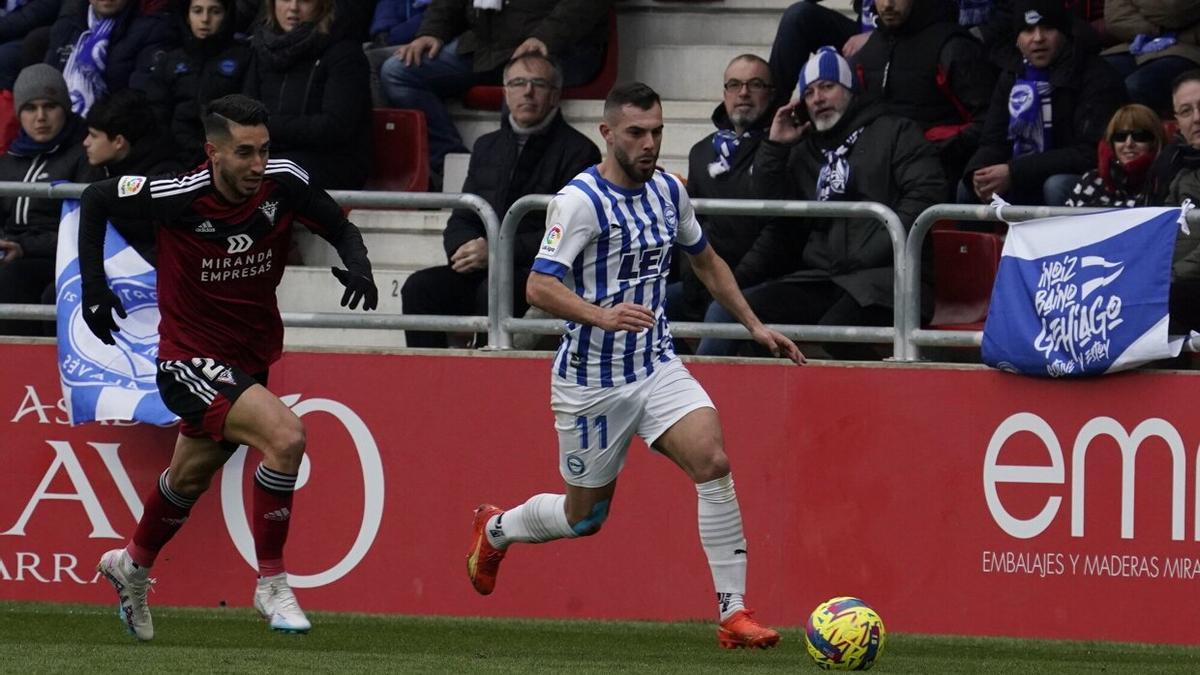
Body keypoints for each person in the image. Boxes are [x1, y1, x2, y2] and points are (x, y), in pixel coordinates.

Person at [464, 82, 804, 650]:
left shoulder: (670, 191)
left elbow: (706, 260)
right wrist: (600, 314)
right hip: (592, 382)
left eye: (658, 132)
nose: (650, 144)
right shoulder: (578, 202)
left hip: (655, 365)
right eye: (637, 134)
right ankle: (496, 528)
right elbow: (538, 286)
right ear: (607, 134)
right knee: (584, 518)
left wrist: (754, 324)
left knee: (713, 460)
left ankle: (733, 613)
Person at [80, 94, 378, 641]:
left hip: (249, 358)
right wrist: (93, 289)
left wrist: (357, 263)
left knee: (188, 479)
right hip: (189, 359)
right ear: (212, 152)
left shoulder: (283, 181)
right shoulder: (177, 194)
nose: (258, 165)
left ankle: (132, 565)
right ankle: (271, 582)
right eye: (244, 153)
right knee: (287, 437)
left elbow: (339, 225)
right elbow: (95, 198)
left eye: (264, 150)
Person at [697, 47, 945, 359]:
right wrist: (775, 147)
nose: (818, 98)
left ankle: (877, 406)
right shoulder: (804, 149)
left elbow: (926, 194)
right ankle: (706, 403)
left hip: (888, 279)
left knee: (836, 332)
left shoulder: (895, 131)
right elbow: (775, 214)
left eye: (827, 87)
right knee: (729, 312)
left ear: (850, 90)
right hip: (823, 279)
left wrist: (865, 254)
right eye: (810, 92)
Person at [400, 53, 599, 348]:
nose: (527, 92)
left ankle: (485, 380)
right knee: (419, 288)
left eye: (538, 84)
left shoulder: (581, 152)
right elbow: (463, 216)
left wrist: (496, 252)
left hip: (537, 274)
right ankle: (428, 383)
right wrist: (463, 249)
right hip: (484, 266)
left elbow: (566, 233)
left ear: (555, 95)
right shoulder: (486, 146)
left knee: (493, 293)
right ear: (506, 92)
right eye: (517, 83)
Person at [379, 0, 612, 184]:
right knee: (398, 72)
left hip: (560, 46)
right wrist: (432, 31)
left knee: (521, 84)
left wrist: (545, 37)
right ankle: (457, 166)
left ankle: (510, 185)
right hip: (487, 47)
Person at [961, 0, 1126, 206]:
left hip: (1081, 179)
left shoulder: (1097, 76)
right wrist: (979, 171)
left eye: (1048, 29)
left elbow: (1091, 153)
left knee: (1056, 185)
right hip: (1024, 173)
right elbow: (993, 140)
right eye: (1028, 31)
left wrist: (1015, 172)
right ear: (1017, 39)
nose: (1038, 38)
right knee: (969, 187)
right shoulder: (1012, 76)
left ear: (1065, 33)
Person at [850, 0, 997, 197]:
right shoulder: (870, 51)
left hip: (940, 178)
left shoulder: (953, 47)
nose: (888, 4)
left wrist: (929, 146)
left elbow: (988, 124)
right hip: (879, 178)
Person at [669, 54, 776, 324]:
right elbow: (691, 225)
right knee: (642, 308)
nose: (743, 93)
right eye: (734, 84)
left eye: (755, 84)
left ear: (771, 94)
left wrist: (731, 283)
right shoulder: (702, 152)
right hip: (708, 279)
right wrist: (698, 281)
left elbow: (778, 232)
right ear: (724, 93)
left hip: (762, 280)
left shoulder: (784, 149)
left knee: (720, 313)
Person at [0, 63, 92, 337]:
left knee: (12, 277)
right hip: (12, 253)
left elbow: (82, 227)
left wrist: (23, 247)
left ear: (65, 108)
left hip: (56, 257)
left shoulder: (83, 156)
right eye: (30, 108)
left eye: (50, 106)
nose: (40, 117)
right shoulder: (8, 160)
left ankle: (20, 369)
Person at [243, 0, 371, 190]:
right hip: (271, 156)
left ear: (323, 5)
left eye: (304, 0)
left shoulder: (344, 54)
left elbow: (335, 127)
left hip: (332, 161)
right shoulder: (261, 49)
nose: (293, 7)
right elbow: (245, 113)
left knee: (267, 175)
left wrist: (268, 126)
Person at [144, 0, 252, 168]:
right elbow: (157, 113)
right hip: (175, 156)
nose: (205, 19)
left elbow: (248, 112)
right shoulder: (169, 61)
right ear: (187, 16)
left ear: (226, 16)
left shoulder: (245, 58)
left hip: (226, 155)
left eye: (215, 11)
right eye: (197, 11)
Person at [83, 88, 181, 263]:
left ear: (119, 142)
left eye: (93, 136)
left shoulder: (163, 179)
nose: (86, 142)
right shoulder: (100, 169)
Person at [44, 0, 177, 115]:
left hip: (112, 132)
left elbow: (141, 98)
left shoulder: (152, 29)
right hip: (60, 125)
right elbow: (46, 85)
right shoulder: (67, 25)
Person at [1101, 0, 1200, 116]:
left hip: (1184, 49)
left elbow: (1173, 10)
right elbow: (1116, 19)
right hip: (1135, 46)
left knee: (1136, 86)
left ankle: (1142, 132)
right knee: (1094, 76)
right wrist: (1161, 30)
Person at [1065, 103, 1166, 207]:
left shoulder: (1164, 182)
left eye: (1139, 136)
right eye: (1120, 136)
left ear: (1155, 141)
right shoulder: (1092, 180)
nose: (1129, 143)